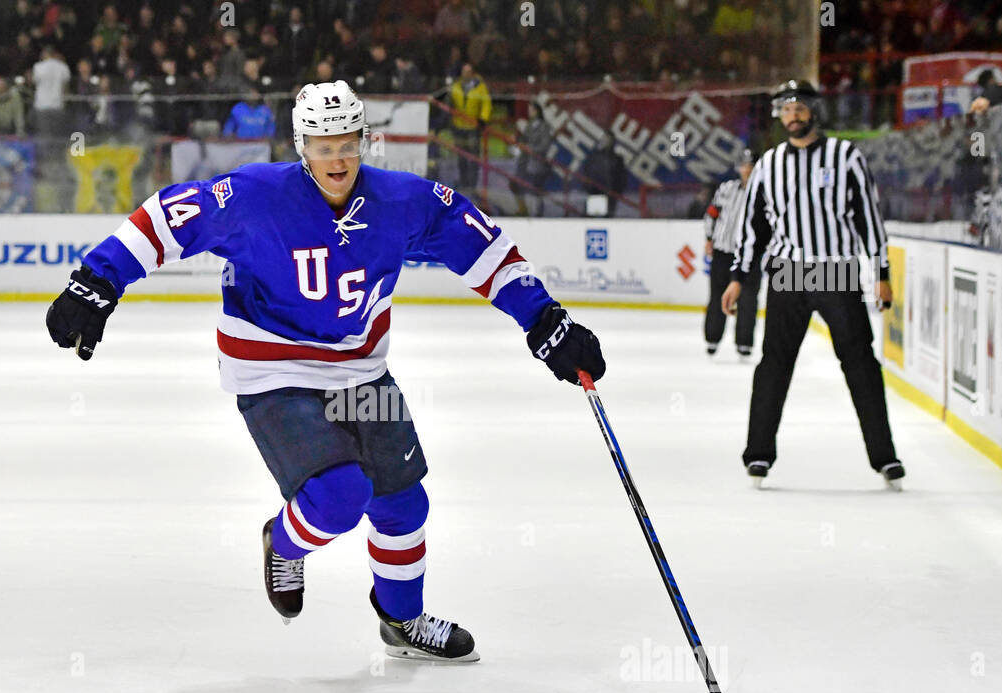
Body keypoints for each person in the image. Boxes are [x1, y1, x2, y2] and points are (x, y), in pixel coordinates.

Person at [45, 81, 606, 661]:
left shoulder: (402, 200)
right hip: (272, 368)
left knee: (404, 504)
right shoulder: (254, 195)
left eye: (346, 142)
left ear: (364, 140)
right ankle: (284, 543)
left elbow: (483, 248)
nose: (336, 157)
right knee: (338, 494)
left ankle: (402, 622)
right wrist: (97, 282)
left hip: (361, 369)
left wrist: (546, 322)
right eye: (322, 144)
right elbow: (167, 218)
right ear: (300, 145)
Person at [722, 80, 904, 488]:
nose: (793, 115)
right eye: (786, 109)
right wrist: (738, 278)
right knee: (774, 365)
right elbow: (753, 229)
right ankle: (758, 455)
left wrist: (882, 273)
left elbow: (868, 220)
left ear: (814, 110)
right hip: (788, 272)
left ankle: (885, 457)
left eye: (799, 107)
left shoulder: (846, 156)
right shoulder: (768, 164)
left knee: (860, 364)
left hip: (836, 269)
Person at [702, 148, 759, 357]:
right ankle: (712, 338)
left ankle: (744, 342)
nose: (747, 170)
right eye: (744, 165)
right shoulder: (726, 188)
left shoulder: (764, 193)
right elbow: (712, 213)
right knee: (717, 294)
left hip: (750, 255)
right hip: (723, 251)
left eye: (751, 166)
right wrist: (709, 238)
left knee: (748, 298)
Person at [449, 63, 492, 200]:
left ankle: (472, 186)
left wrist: (482, 119)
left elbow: (486, 103)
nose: (465, 74)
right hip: (459, 126)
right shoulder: (456, 86)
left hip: (473, 127)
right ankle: (464, 184)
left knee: (473, 158)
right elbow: (450, 103)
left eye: (468, 71)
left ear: (472, 73)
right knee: (461, 158)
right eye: (464, 71)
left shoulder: (480, 87)